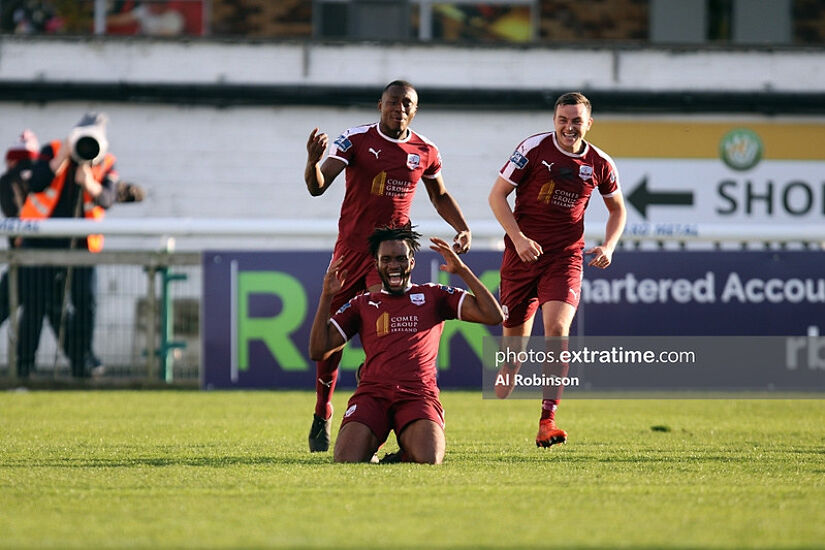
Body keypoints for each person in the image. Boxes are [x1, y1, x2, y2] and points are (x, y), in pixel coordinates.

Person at [304, 79, 472, 452]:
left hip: (389, 257)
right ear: (380, 104)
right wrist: (312, 162)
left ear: (415, 109)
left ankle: (387, 412)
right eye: (392, 102)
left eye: (406, 103)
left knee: (389, 326)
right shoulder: (355, 140)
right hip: (350, 255)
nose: (399, 108)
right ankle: (322, 410)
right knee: (332, 341)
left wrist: (462, 227)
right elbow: (318, 186)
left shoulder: (425, 150)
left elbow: (439, 194)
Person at [488, 92, 627, 448]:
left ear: (588, 124)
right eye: (563, 120)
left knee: (557, 328)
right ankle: (509, 368)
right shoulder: (533, 149)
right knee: (514, 353)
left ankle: (547, 420)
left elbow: (617, 210)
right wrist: (518, 238)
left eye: (576, 121)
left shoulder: (600, 163)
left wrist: (609, 246)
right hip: (522, 257)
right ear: (554, 120)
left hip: (565, 258)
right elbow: (497, 196)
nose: (569, 127)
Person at [309, 225, 504, 464]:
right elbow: (318, 350)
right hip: (373, 395)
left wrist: (462, 271)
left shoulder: (434, 296)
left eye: (401, 258)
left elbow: (494, 316)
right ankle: (373, 445)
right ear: (376, 263)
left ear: (412, 262)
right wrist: (326, 295)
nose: (394, 265)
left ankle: (402, 454)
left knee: (429, 458)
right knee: (346, 459)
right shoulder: (362, 303)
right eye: (386, 259)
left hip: (418, 395)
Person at [17, 113, 119, 379]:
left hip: (83, 248)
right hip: (41, 244)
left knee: (85, 303)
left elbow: (108, 198)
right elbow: (35, 183)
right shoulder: (52, 150)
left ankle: (81, 363)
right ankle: (24, 367)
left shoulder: (105, 161)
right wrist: (60, 159)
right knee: (34, 304)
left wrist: (90, 184)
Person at [0, 129, 40, 326]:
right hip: (45, 258)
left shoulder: (9, 180)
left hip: (22, 256)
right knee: (41, 313)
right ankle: (81, 356)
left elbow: (13, 213)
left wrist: (20, 237)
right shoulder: (42, 177)